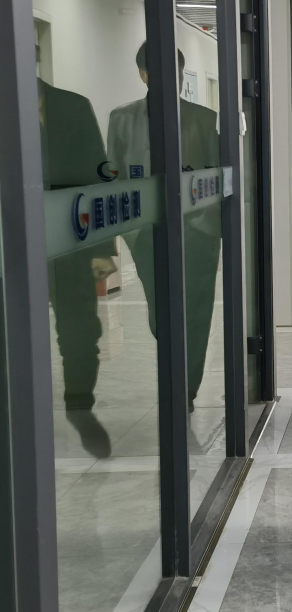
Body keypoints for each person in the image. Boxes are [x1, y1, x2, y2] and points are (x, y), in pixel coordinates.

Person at [107, 43, 221, 412]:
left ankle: (185, 388)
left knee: (196, 310)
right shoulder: (121, 119)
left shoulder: (204, 119)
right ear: (143, 75)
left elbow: (218, 177)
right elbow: (114, 177)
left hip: (198, 232)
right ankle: (177, 369)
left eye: (175, 71)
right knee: (161, 313)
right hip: (147, 233)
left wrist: (212, 227)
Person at [39, 77, 116, 458]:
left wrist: (102, 248)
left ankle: (79, 406)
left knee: (80, 331)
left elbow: (95, 175)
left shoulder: (72, 106)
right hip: (11, 242)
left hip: (69, 240)